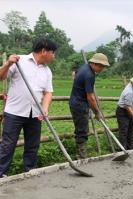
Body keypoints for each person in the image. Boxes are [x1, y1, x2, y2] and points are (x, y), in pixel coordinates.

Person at [0, 38, 57, 177]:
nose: (54, 56)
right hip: (14, 112)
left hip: (35, 114)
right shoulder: (20, 61)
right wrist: (8, 63)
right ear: (44, 51)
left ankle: (30, 172)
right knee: (8, 145)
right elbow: (1, 77)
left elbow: (48, 92)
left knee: (32, 146)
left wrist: (45, 108)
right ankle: (1, 174)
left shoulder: (47, 71)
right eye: (53, 53)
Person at [69, 53, 110, 159]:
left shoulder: (84, 67)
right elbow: (90, 97)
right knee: (82, 130)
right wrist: (97, 111)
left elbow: (75, 75)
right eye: (102, 66)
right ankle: (81, 156)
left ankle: (79, 154)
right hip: (80, 104)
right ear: (96, 64)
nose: (102, 69)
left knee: (80, 128)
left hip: (75, 101)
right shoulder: (89, 75)